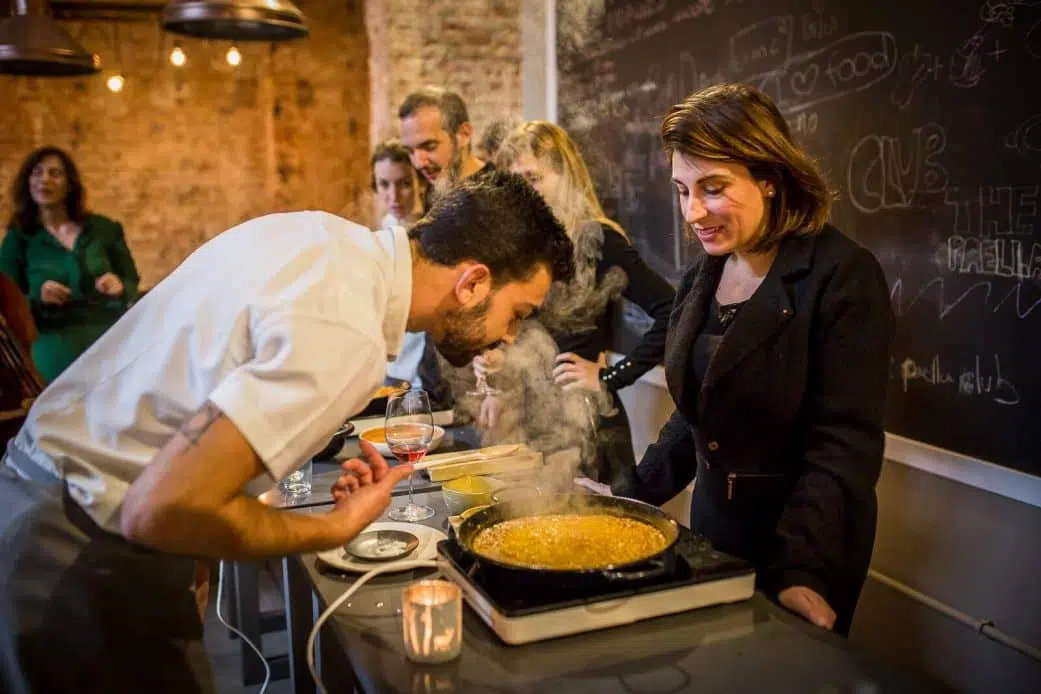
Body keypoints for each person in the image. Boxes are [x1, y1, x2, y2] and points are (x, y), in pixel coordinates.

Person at [0, 171, 574, 694]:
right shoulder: (349, 334)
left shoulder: (318, 237)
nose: (508, 337)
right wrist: (328, 528)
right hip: (77, 558)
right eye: (517, 313)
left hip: (36, 500)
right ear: (473, 282)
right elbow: (158, 508)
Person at [613, 84, 894, 636]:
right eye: (682, 190)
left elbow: (842, 444)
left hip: (806, 541)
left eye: (713, 189)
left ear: (769, 176)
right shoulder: (702, 276)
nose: (693, 212)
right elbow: (698, 414)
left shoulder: (842, 276)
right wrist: (629, 493)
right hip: (715, 531)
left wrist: (801, 569)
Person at [477, 121, 675, 486]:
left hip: (587, 423)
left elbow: (672, 309)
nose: (525, 194)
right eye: (516, 182)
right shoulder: (524, 248)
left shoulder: (596, 239)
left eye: (533, 179)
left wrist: (608, 376)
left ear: (565, 176)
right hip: (531, 425)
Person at [0, 146, 141, 383]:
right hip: (53, 344)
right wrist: (38, 296)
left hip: (110, 339)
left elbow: (132, 282)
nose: (45, 179)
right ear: (28, 182)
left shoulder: (104, 229)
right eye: (37, 173)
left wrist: (119, 287)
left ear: (69, 184)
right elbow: (5, 300)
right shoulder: (19, 238)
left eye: (55, 173)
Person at [369, 139, 451, 408]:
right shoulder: (382, 233)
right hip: (390, 371)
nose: (393, 196)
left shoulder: (438, 233)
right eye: (384, 184)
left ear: (421, 182)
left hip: (433, 372)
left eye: (403, 183)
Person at [398, 85, 495, 208]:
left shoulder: (497, 198)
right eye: (410, 151)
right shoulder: (436, 190)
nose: (418, 164)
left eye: (429, 146)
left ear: (464, 134)